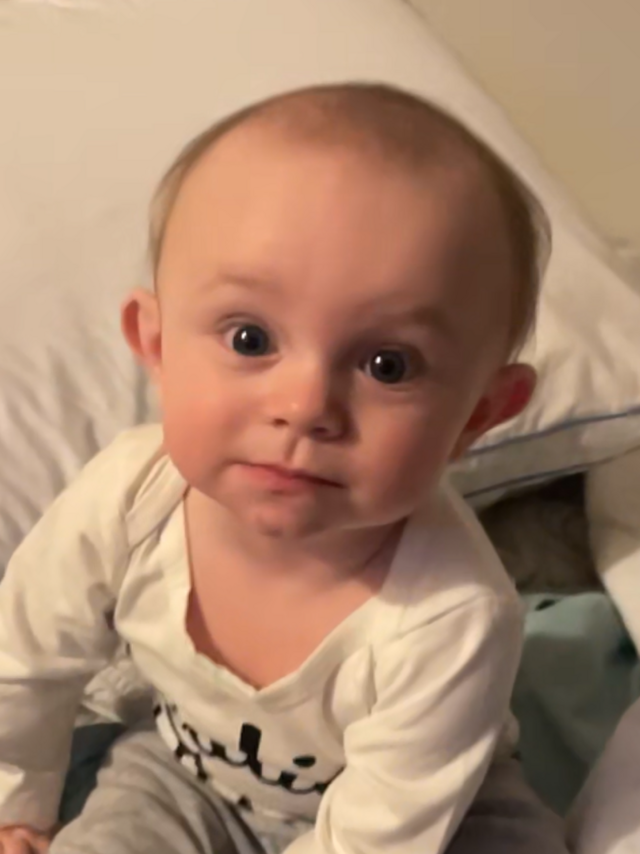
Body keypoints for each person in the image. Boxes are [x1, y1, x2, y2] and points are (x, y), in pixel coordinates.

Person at [0, 83, 566, 854]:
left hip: (429, 811)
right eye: (250, 339)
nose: (305, 407)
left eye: (388, 364)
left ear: (479, 414)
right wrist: (18, 806)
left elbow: (379, 839)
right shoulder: (129, 498)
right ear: (157, 346)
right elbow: (25, 661)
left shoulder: (451, 616)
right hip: (185, 772)